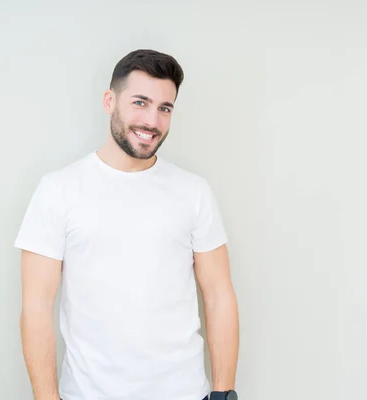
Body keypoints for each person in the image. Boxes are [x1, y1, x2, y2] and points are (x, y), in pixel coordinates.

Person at [14, 49, 240, 400]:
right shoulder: (58, 190)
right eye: (140, 102)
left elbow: (218, 295)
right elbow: (37, 306)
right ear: (109, 101)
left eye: (165, 108)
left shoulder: (193, 191)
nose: (152, 121)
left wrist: (224, 394)